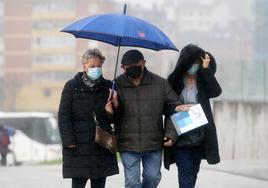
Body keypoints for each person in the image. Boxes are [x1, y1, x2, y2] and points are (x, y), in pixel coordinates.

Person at [115, 49, 180, 188]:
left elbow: (175, 108)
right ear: (122, 68)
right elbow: (110, 116)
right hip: (128, 144)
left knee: (153, 177)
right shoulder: (116, 86)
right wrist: (111, 105)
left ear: (144, 63)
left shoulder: (160, 83)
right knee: (132, 183)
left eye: (136, 66)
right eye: (129, 68)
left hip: (153, 143)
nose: (133, 70)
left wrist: (171, 134)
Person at [58, 48, 119, 188]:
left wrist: (113, 107)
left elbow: (117, 118)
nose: (96, 69)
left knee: (99, 183)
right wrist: (68, 141)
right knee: (78, 183)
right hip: (78, 146)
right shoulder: (71, 86)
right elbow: (63, 116)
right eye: (92, 66)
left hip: (101, 144)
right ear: (84, 66)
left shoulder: (109, 87)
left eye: (99, 66)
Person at [164, 44, 222, 188]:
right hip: (180, 135)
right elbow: (165, 105)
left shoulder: (202, 81)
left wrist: (206, 69)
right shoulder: (175, 81)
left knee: (193, 172)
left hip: (199, 135)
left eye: (197, 64)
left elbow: (216, 91)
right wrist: (177, 107)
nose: (194, 67)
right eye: (192, 63)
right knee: (185, 172)